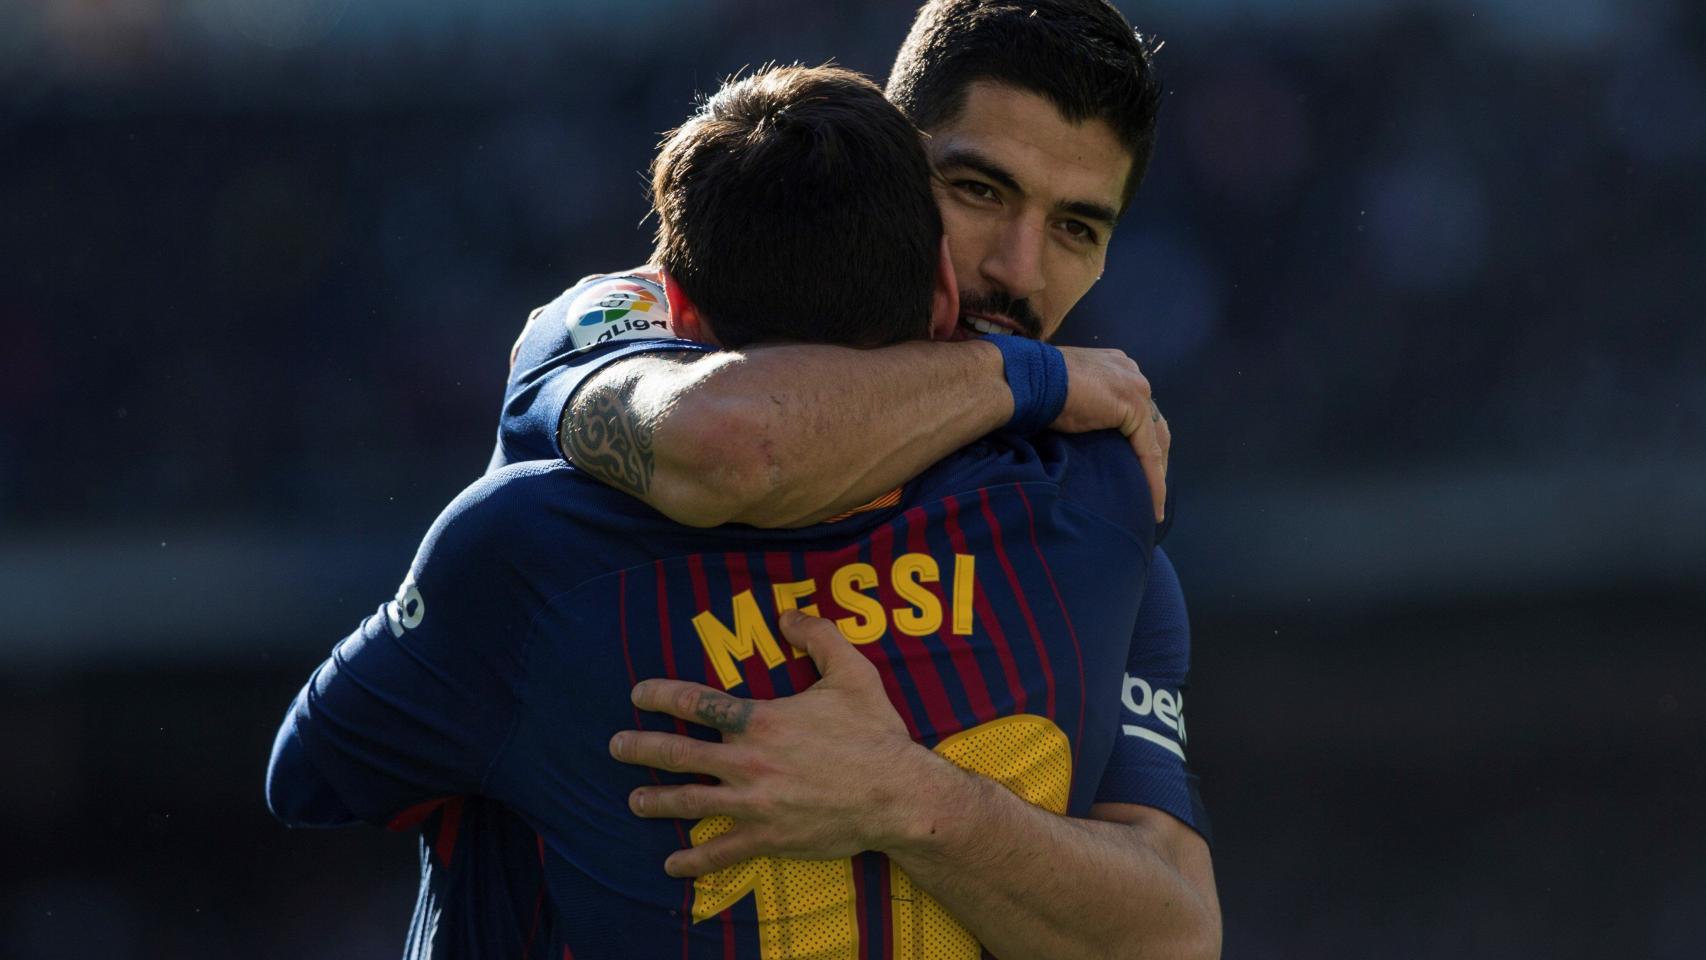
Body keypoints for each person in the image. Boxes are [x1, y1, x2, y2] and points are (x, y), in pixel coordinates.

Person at [269, 60, 1214, 960]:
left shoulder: (530, 543)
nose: (1018, 268)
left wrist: (910, 798)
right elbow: (727, 440)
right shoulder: (1091, 506)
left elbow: (312, 775)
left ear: (679, 303)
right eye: (980, 192)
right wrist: (1036, 373)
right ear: (930, 254)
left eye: (1078, 229)